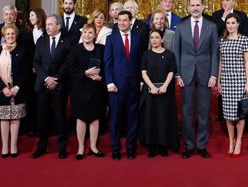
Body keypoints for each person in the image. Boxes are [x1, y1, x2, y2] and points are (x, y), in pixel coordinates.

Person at [173, 0, 219, 159]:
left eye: (198, 5)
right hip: (186, 74)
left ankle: (201, 144)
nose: (195, 8)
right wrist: (177, 74)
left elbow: (214, 53)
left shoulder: (211, 26)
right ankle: (189, 145)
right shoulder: (181, 26)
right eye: (192, 5)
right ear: (188, 7)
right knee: (186, 111)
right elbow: (176, 53)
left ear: (204, 6)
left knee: (204, 110)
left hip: (206, 74)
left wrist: (214, 74)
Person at [104, 10, 147, 160]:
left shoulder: (138, 38)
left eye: (125, 20)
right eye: (120, 20)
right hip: (116, 85)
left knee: (132, 117)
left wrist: (142, 81)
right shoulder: (111, 39)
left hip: (134, 84)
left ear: (130, 22)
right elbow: (107, 63)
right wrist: (109, 82)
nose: (122, 23)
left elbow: (141, 61)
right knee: (115, 118)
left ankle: (130, 148)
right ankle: (115, 148)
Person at [32, 14, 72, 159]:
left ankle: (62, 148)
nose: (47, 27)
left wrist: (56, 79)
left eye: (50, 24)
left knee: (60, 117)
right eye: (46, 24)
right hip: (43, 85)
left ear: (58, 26)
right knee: (42, 118)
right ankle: (41, 146)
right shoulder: (41, 41)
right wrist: (47, 78)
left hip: (59, 86)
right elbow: (36, 62)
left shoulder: (67, 42)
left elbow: (67, 63)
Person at [0, 24, 29, 158]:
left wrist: (17, 87)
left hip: (18, 89)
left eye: (12, 34)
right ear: (3, 36)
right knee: (4, 119)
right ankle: (5, 146)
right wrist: (3, 88)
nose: (10, 36)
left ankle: (14, 145)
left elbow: (26, 71)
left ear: (16, 35)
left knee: (15, 118)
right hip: (2, 90)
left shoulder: (23, 50)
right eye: (8, 34)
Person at [67, 24, 106, 160]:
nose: (87, 35)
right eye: (85, 32)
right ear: (81, 34)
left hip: (96, 88)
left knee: (95, 118)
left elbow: (106, 67)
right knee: (81, 118)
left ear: (95, 35)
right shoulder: (75, 49)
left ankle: (94, 146)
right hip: (80, 88)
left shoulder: (101, 49)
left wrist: (101, 76)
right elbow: (70, 69)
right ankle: (81, 147)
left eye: (90, 33)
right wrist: (85, 72)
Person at [140, 29, 179, 157]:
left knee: (163, 118)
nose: (154, 40)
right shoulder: (146, 54)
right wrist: (151, 87)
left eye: (157, 37)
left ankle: (163, 146)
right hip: (150, 91)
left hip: (165, 91)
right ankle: (152, 146)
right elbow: (143, 72)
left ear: (162, 39)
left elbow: (171, 72)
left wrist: (164, 86)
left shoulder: (169, 55)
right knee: (151, 118)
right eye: (152, 38)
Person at [218, 14, 248, 157]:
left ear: (238, 24)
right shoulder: (222, 41)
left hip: (239, 80)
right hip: (226, 81)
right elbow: (220, 62)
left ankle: (238, 141)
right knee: (228, 114)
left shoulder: (244, 39)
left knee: (240, 114)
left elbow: (246, 63)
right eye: (228, 23)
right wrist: (219, 80)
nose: (230, 25)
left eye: (233, 23)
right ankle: (231, 141)